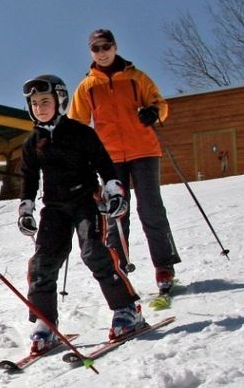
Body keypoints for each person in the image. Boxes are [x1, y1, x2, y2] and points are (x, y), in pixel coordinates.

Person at [19, 75, 144, 350]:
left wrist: (113, 189)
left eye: (45, 101)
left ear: (60, 101)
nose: (40, 107)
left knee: (94, 252)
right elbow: (29, 178)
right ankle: (45, 322)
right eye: (35, 103)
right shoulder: (32, 143)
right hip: (53, 208)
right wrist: (26, 208)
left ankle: (126, 309)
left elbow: (104, 163)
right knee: (42, 263)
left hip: (85, 201)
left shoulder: (80, 132)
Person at [69, 29, 180, 293]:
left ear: (115, 47)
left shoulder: (136, 78)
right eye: (96, 48)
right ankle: (117, 268)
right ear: (90, 52)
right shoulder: (87, 87)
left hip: (144, 151)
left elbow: (160, 104)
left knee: (151, 209)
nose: (102, 52)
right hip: (108, 159)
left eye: (106, 46)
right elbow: (76, 124)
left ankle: (164, 267)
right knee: (117, 213)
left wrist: (153, 113)